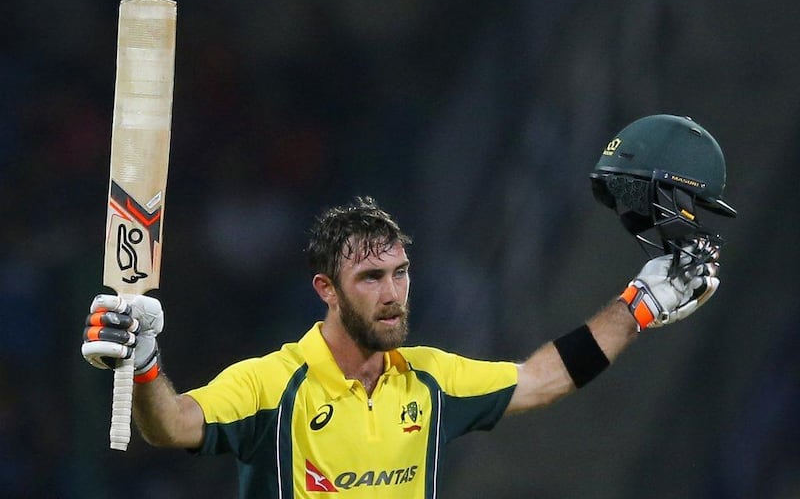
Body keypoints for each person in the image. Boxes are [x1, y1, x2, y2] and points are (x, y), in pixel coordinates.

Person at [81, 114, 734, 499]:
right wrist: (141, 363)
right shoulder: (274, 384)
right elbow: (171, 425)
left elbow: (542, 379)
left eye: (400, 272)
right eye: (370, 277)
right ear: (326, 291)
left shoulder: (429, 378)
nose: (393, 293)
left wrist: (640, 303)